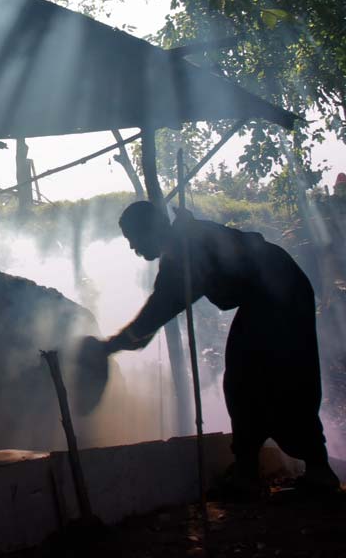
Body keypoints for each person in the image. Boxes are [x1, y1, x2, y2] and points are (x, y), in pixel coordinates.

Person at [99, 200, 340, 493]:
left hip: (278, 293)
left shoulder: (187, 248)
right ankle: (275, 468)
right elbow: (156, 315)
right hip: (277, 292)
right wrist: (121, 343)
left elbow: (155, 313)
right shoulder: (183, 245)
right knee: (259, 379)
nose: (132, 247)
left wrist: (109, 347)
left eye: (131, 238)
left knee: (251, 380)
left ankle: (255, 473)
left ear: (149, 229)